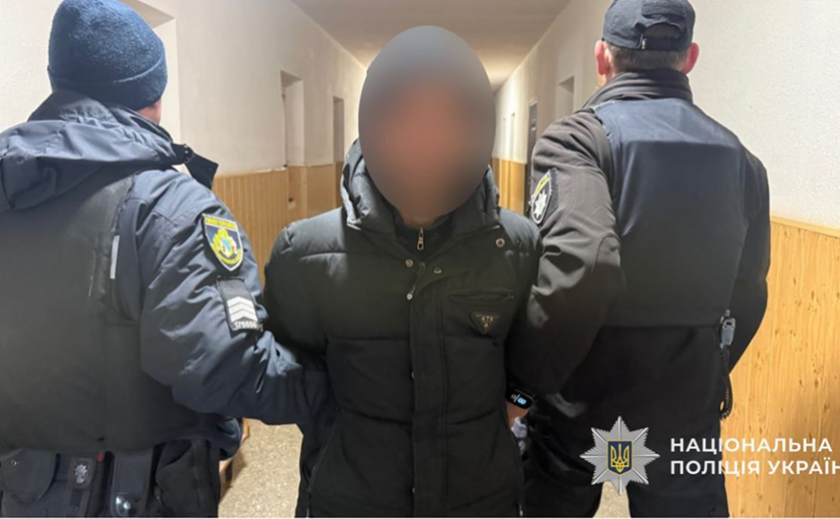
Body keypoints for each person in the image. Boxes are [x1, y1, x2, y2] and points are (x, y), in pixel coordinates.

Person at [0, 1, 326, 516]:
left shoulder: (11, 187)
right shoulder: (168, 208)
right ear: (153, 96)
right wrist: (328, 387)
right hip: (136, 494)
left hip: (20, 489)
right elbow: (224, 366)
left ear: (58, 81)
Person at [263, 26, 542, 517]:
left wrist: (515, 403)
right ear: (372, 124)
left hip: (481, 500)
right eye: (406, 118)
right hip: (350, 502)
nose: (427, 143)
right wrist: (338, 431)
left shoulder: (518, 247)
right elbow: (291, 371)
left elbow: (535, 355)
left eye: (450, 119)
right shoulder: (304, 253)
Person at [508, 0, 771, 516]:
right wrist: (706, 372)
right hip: (685, 408)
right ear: (689, 57)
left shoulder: (577, 142)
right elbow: (749, 293)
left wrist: (522, 388)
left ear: (602, 57)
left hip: (578, 408)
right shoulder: (742, 161)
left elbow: (583, 268)